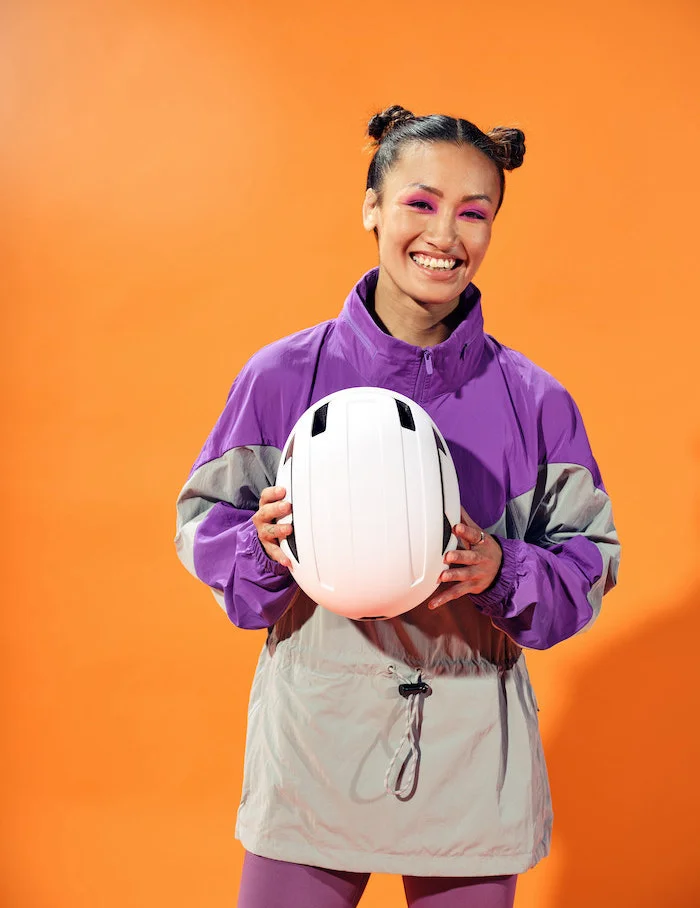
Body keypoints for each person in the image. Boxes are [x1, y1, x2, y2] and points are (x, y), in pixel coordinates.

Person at [174, 105, 620, 908]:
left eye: (473, 213)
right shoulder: (281, 378)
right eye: (420, 203)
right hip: (315, 738)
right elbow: (206, 529)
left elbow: (589, 569)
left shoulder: (535, 402)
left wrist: (504, 567)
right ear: (373, 207)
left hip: (470, 749)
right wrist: (259, 546)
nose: (445, 234)